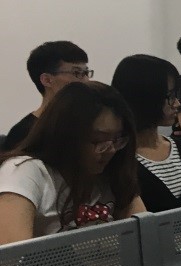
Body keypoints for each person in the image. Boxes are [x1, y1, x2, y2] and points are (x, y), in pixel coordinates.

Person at [0, 81, 144, 243]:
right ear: (65, 136)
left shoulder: (114, 171)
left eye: (117, 140)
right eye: (98, 140)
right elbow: (10, 254)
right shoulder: (24, 172)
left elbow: (146, 236)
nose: (110, 150)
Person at [112, 54, 181, 212]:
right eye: (170, 96)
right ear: (144, 98)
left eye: (176, 95)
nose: (177, 103)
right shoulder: (119, 158)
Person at [2, 40, 91, 152]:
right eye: (77, 73)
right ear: (47, 80)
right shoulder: (24, 134)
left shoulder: (88, 123)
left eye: (86, 73)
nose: (86, 80)